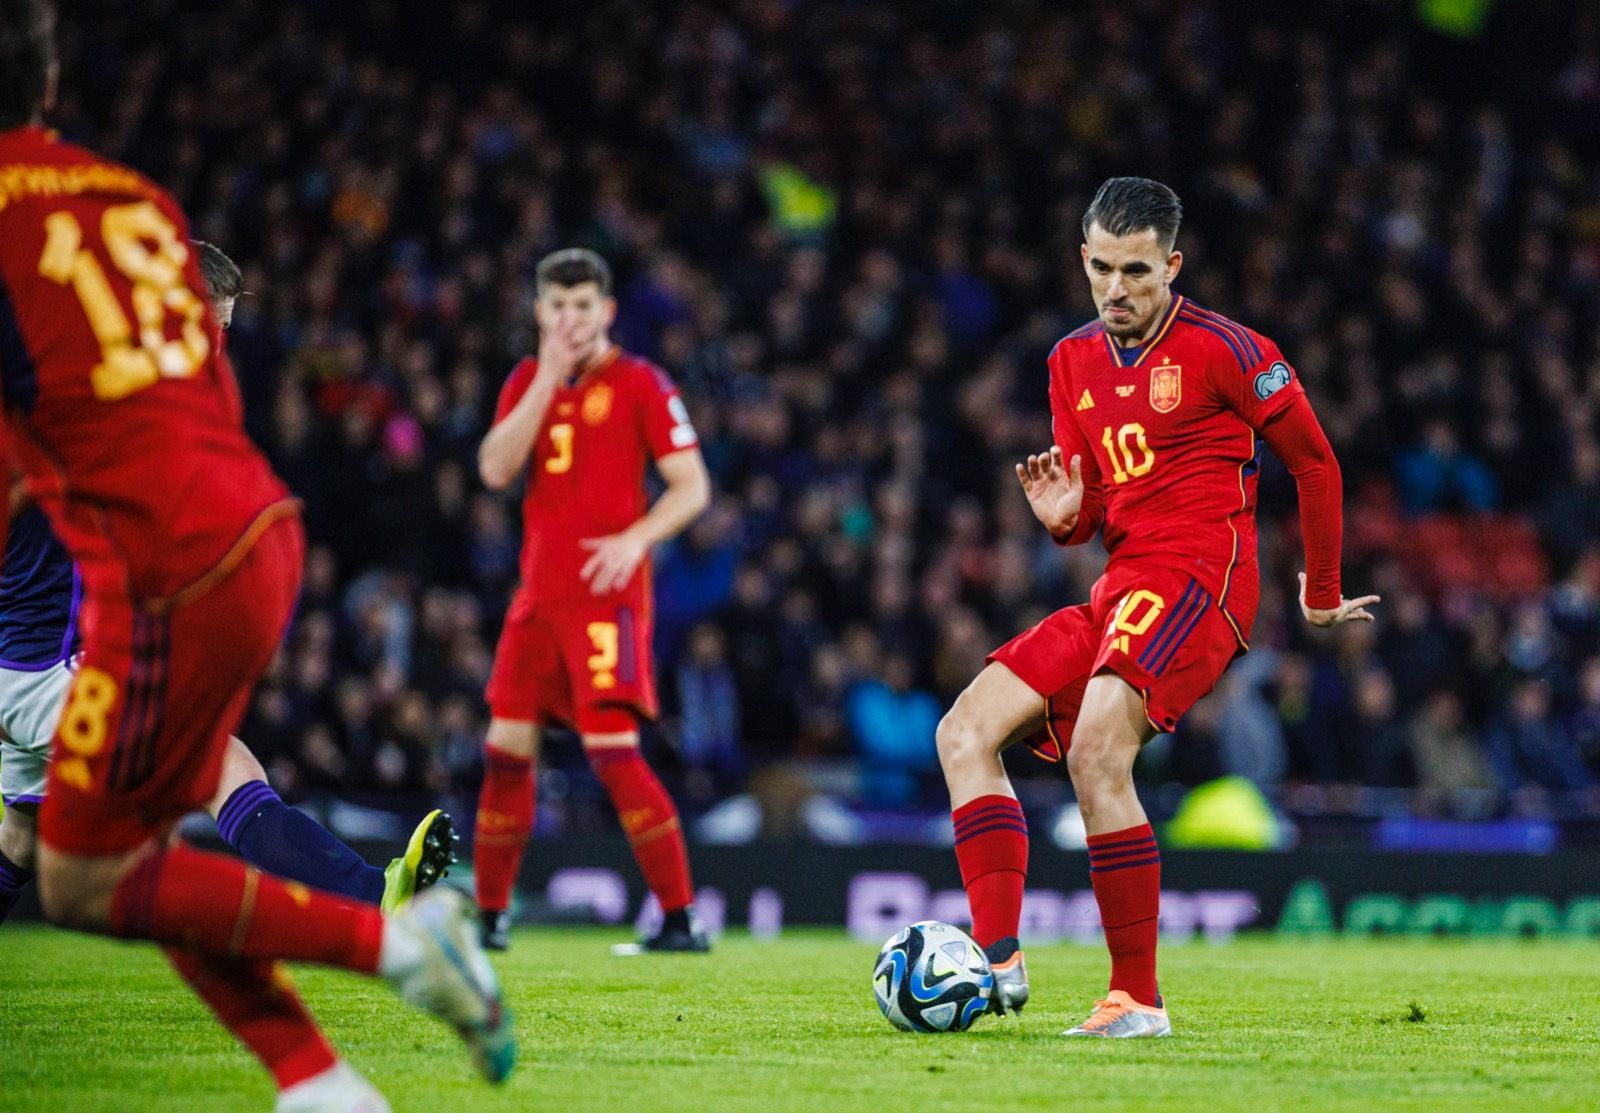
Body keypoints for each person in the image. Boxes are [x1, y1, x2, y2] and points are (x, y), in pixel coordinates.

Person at [0, 5, 513, 1108]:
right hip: (232, 545)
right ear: (45, 88)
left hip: (131, 595)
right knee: (66, 845)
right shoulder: (126, 206)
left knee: (105, 863)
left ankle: (384, 951)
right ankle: (329, 1057)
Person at [935, 177, 1378, 1037]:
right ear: (1084, 260)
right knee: (963, 730)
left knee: (1099, 747)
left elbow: (1316, 464)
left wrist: (1320, 593)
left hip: (1202, 577)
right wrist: (1068, 520)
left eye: (1136, 271)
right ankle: (996, 962)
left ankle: (1137, 998)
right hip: (1122, 583)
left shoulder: (1229, 349)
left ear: (1172, 265)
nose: (1115, 290)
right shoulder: (1069, 361)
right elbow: (1093, 506)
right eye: (1101, 268)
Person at [0, 239, 455, 927]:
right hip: (43, 667)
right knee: (221, 763)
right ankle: (375, 896)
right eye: (204, 326)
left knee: (19, 839)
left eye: (225, 332)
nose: (214, 349)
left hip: (25, 656)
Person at [474, 248, 713, 953]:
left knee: (612, 752)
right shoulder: (527, 379)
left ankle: (679, 917)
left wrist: (637, 538)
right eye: (557, 306)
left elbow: (692, 484)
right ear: (540, 313)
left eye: (583, 306)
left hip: (606, 602)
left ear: (606, 311)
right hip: (538, 601)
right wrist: (546, 377)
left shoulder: (641, 382)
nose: (570, 319)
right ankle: (490, 916)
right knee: (503, 751)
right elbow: (494, 469)